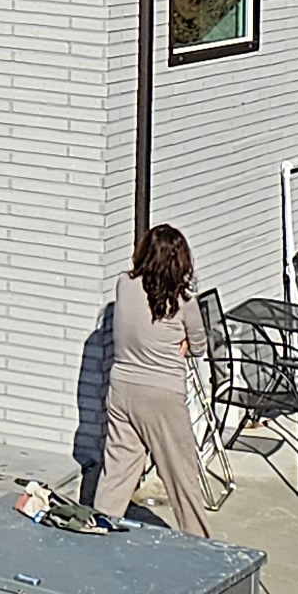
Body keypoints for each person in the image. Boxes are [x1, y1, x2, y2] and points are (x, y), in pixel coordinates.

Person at [102, 222, 214, 540]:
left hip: (122, 388)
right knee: (181, 475)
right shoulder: (184, 300)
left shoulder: (124, 284)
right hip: (162, 395)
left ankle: (98, 529)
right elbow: (200, 346)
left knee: (118, 470)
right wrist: (183, 342)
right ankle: (199, 542)